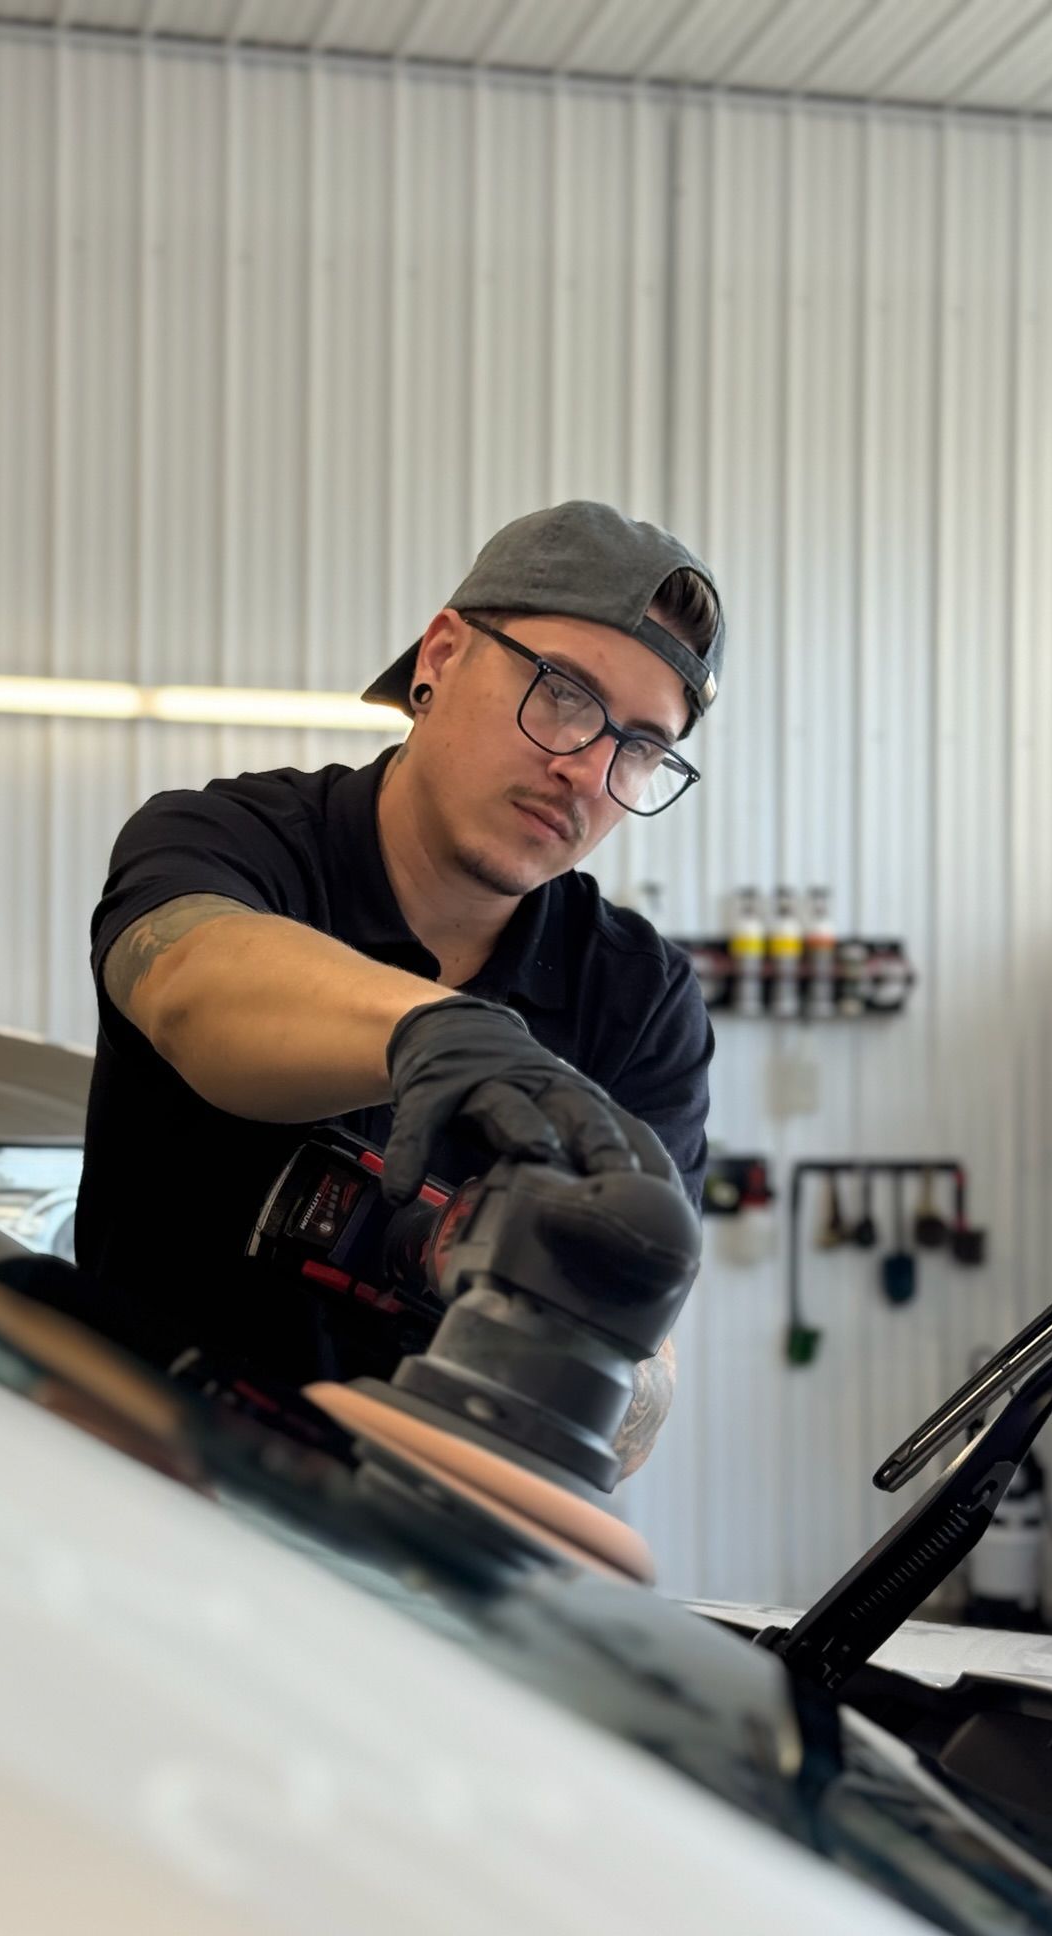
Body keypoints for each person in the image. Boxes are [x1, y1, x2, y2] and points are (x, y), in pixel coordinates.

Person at [74, 501, 722, 1477]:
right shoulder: (234, 843)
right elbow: (187, 982)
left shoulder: (637, 1000)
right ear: (443, 654)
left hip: (399, 1540)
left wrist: (589, 1339)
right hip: (134, 1493)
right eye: (561, 692)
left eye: (638, 746)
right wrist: (427, 1028)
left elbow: (638, 1365)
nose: (586, 768)